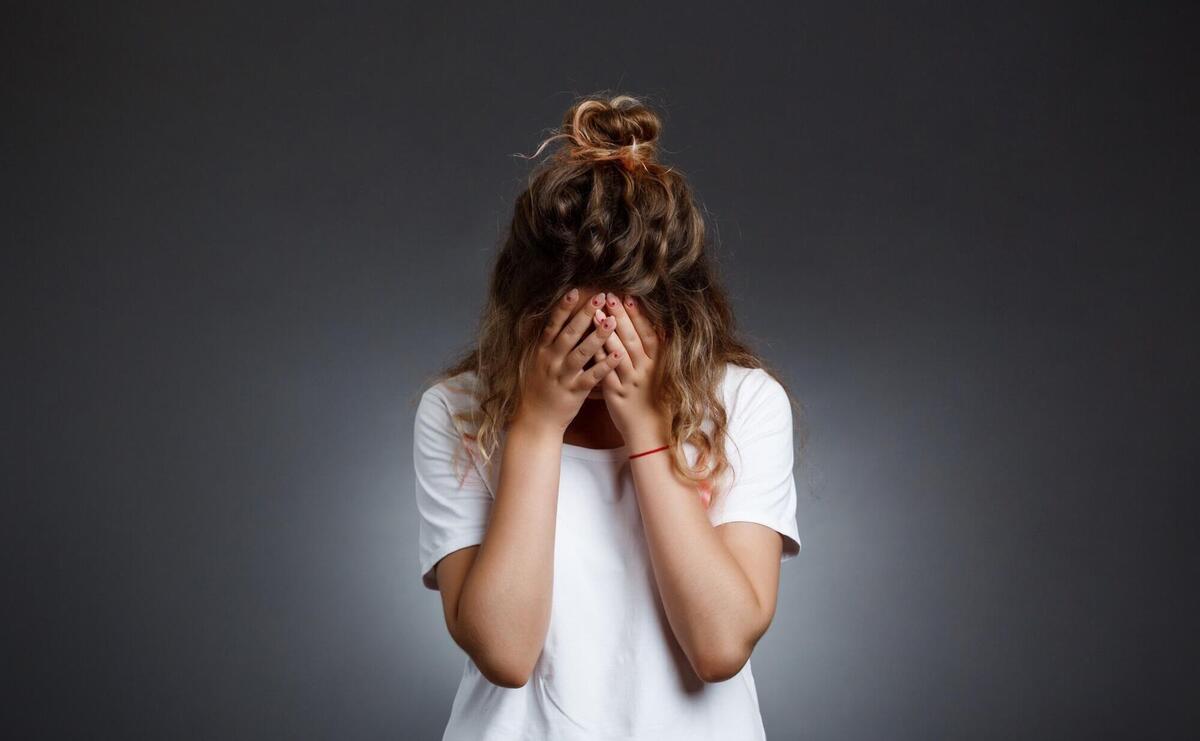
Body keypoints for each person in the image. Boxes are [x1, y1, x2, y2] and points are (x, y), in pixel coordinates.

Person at [413, 92, 803, 740]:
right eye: (572, 324)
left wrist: (648, 432)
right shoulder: (459, 411)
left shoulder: (744, 403)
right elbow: (507, 654)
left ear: (675, 307)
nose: (600, 349)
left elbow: (720, 644)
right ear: (527, 304)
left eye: (621, 324)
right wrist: (537, 428)